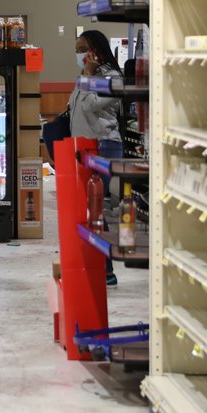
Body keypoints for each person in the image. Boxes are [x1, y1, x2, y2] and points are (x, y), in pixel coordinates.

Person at [67, 30, 124, 286]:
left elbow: (91, 106)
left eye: (83, 49)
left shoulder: (113, 78)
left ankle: (107, 271)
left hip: (103, 147)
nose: (79, 54)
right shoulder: (85, 76)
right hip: (83, 147)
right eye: (77, 49)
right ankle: (93, 264)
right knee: (87, 209)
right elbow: (75, 107)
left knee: (98, 209)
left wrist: (88, 75)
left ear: (96, 51)